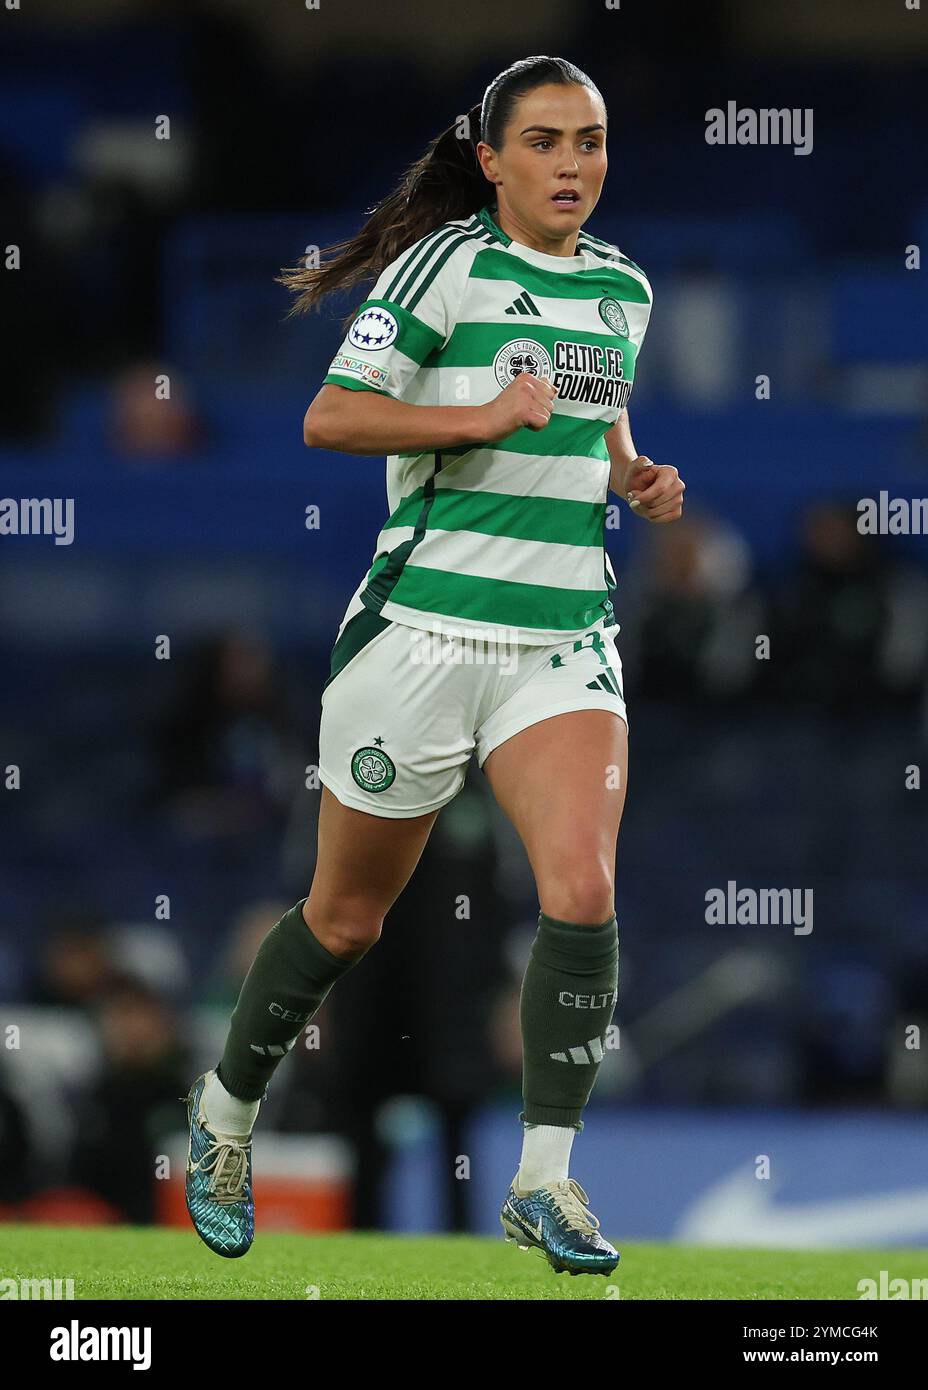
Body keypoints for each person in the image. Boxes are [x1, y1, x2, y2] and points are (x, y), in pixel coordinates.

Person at [183, 55, 684, 1275]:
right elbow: (332, 416)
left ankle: (542, 1180)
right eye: (550, 141)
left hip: (559, 637)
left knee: (581, 886)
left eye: (593, 141)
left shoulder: (625, 288)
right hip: (421, 634)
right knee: (345, 917)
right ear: (492, 159)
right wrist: (474, 417)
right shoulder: (444, 266)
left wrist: (630, 472)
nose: (576, 164)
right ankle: (223, 1117)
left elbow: (592, 418)